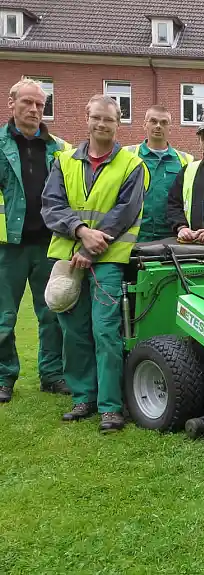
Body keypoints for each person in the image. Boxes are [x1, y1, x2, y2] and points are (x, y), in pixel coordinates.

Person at [41, 94, 148, 432]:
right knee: (73, 331)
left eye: (110, 120)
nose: (102, 124)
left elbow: (124, 213)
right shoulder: (64, 161)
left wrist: (90, 248)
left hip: (107, 260)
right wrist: (80, 231)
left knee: (105, 331)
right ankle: (83, 397)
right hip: (68, 257)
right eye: (97, 118)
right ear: (86, 117)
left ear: (119, 123)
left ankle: (110, 406)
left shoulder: (132, 165)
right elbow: (51, 205)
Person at [0, 78, 72, 403]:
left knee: (52, 313)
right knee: (4, 317)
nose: (33, 109)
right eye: (27, 102)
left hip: (49, 245)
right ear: (11, 104)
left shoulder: (59, 148)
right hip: (8, 246)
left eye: (39, 104)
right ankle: (4, 378)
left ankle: (52, 375)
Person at [125, 105, 193, 242]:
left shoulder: (186, 160)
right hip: (133, 234)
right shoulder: (127, 155)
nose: (158, 126)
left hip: (172, 235)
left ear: (170, 128)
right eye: (153, 121)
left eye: (164, 122)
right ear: (145, 124)